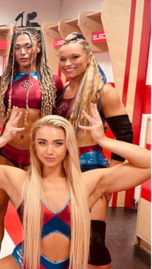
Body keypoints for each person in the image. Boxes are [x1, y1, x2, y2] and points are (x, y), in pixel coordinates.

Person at [0, 106, 151, 269]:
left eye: (58, 143)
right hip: (26, 260)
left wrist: (104, 140)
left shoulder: (87, 183)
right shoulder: (19, 180)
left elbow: (148, 164)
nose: (49, 151)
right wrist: (2, 139)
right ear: (34, 146)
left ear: (67, 146)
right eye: (42, 143)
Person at [54, 33, 134, 269]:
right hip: (61, 170)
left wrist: (112, 178)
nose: (68, 64)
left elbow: (125, 135)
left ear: (90, 57)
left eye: (75, 57)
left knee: (93, 241)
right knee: (66, 237)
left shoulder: (103, 91)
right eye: (63, 59)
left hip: (91, 170)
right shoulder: (63, 89)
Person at [0, 27, 64, 266]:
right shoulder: (4, 81)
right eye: (17, 47)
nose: (22, 51)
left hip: (36, 158)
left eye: (28, 46)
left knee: (35, 215)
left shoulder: (53, 82)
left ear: (39, 47)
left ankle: (33, 259)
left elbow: (61, 122)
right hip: (6, 154)